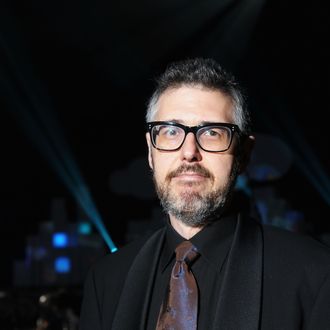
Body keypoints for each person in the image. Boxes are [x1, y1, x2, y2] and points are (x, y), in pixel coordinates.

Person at [79, 58, 330, 329]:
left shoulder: (315, 274)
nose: (189, 153)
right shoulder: (105, 280)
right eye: (171, 131)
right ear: (151, 152)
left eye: (212, 132)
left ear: (244, 154)